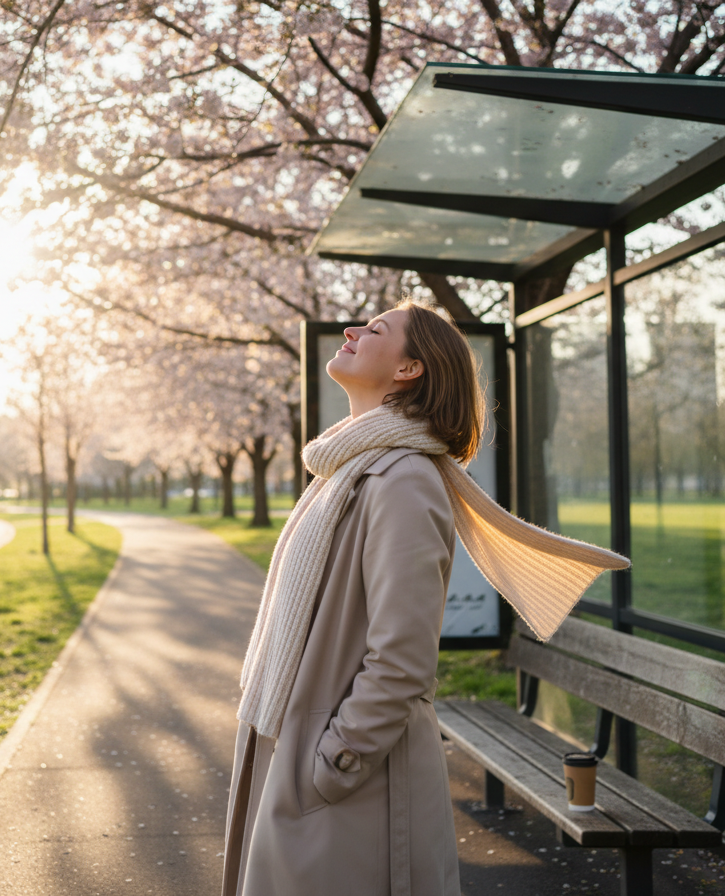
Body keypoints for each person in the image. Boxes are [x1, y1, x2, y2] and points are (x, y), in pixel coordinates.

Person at [221, 300, 629, 896]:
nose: (352, 331)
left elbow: (403, 660)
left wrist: (335, 762)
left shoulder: (403, 480)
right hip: (305, 747)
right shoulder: (349, 468)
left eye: (376, 329)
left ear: (410, 369)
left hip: (352, 780)